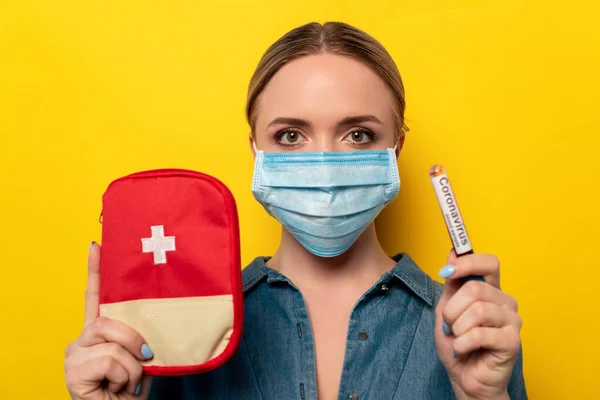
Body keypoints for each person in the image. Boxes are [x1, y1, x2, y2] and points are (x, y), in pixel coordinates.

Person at [64, 21, 527, 399]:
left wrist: (483, 399)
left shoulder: (471, 329)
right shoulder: (183, 329)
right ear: (256, 151)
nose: (324, 163)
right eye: (290, 135)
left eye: (358, 134)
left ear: (396, 148)